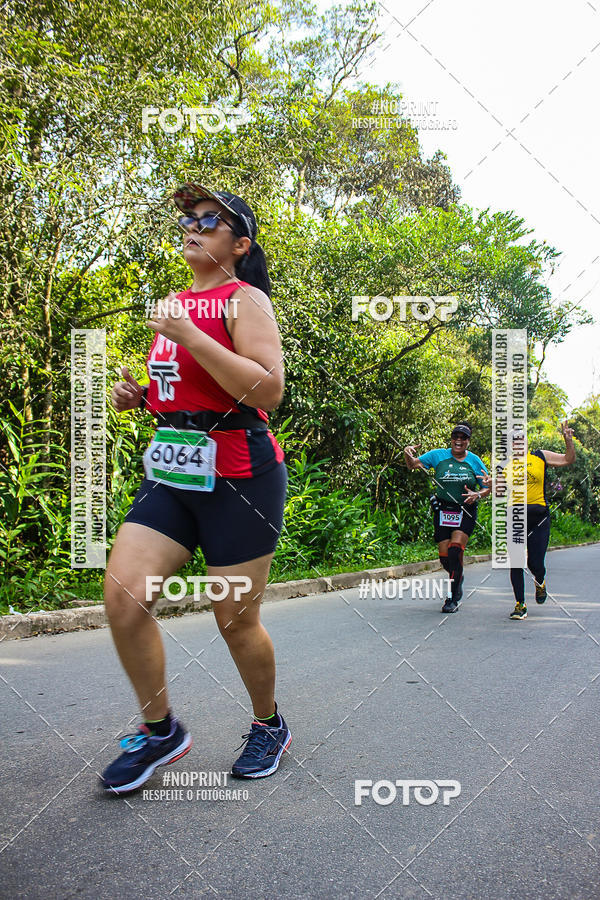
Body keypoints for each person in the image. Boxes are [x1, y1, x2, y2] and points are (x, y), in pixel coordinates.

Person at [101, 183, 291, 794]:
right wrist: (141, 398)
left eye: (210, 221)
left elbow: (266, 391)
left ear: (240, 245)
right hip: (175, 472)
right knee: (124, 596)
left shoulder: (245, 300)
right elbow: (190, 391)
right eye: (189, 219)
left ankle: (269, 724)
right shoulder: (176, 304)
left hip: (241, 478)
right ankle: (160, 731)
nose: (193, 226)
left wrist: (192, 337)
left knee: (234, 618)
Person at [404, 422, 490, 613]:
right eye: (455, 437)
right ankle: (457, 577)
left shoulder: (474, 461)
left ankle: (451, 599)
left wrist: (478, 494)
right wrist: (407, 453)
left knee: (455, 551)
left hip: (465, 510)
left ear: (468, 441)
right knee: (445, 559)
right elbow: (413, 465)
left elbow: (486, 487)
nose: (459, 441)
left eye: (463, 438)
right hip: (443, 510)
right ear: (451, 439)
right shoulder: (437, 455)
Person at [507, 421, 576, 620]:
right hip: (515, 517)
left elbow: (568, 459)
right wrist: (483, 490)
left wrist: (568, 441)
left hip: (538, 518)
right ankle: (520, 604)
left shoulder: (540, 456)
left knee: (535, 563)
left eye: (521, 438)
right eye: (514, 440)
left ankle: (540, 580)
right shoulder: (505, 465)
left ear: (527, 441)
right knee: (516, 562)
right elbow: (497, 487)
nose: (518, 442)